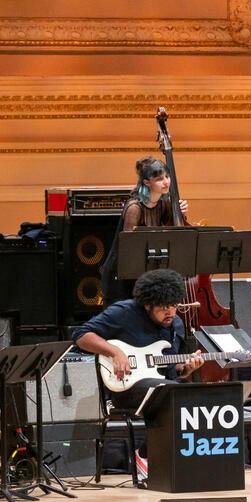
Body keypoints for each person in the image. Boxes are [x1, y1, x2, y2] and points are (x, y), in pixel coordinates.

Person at [73, 269, 205, 422]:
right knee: (173, 392)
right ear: (148, 305)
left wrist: (185, 369)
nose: (170, 313)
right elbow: (81, 336)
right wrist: (115, 352)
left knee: (198, 393)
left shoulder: (176, 325)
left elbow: (168, 371)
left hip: (160, 385)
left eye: (174, 306)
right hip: (125, 387)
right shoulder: (124, 312)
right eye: (163, 308)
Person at [101, 156, 190, 303]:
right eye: (159, 179)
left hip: (144, 274)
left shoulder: (164, 204)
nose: (166, 181)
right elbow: (128, 248)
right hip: (122, 277)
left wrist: (181, 214)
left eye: (167, 176)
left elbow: (176, 234)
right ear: (147, 182)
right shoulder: (134, 208)